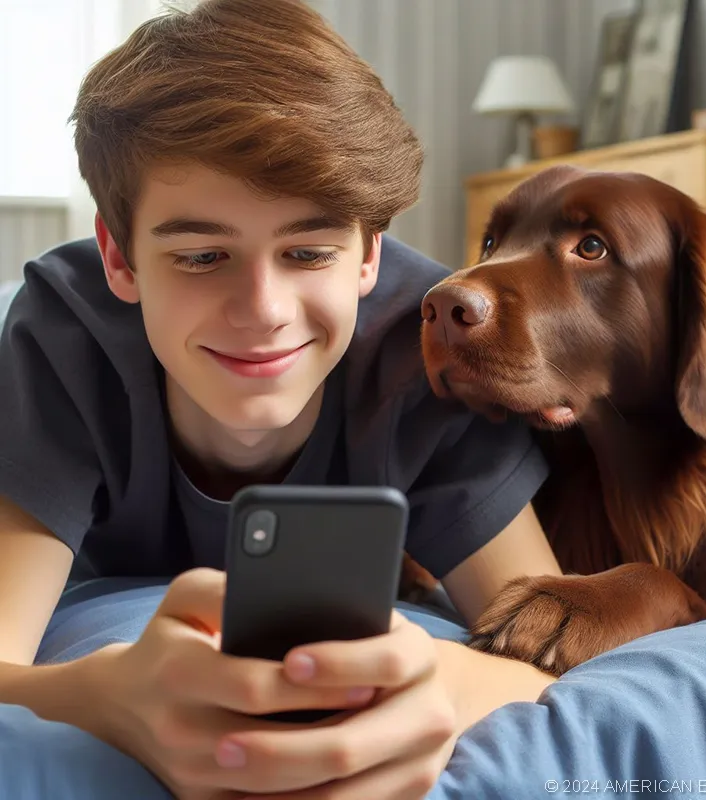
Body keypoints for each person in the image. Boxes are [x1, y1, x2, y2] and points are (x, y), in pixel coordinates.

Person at [0, 0, 563, 796]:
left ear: (369, 254)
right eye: (201, 257)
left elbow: (544, 662)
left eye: (307, 251)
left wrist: (435, 677)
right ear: (119, 259)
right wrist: (104, 695)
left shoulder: (425, 342)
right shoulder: (64, 333)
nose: (263, 309)